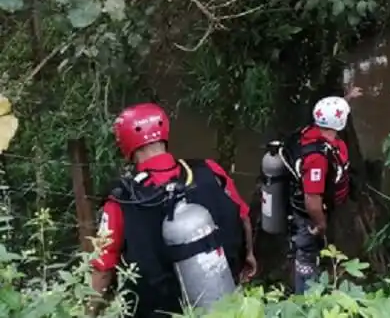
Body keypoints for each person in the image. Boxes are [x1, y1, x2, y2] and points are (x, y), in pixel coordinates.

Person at [90, 103, 256, 317]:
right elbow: (243, 218)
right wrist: (249, 255)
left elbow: (103, 269)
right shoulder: (209, 170)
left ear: (125, 144)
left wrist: (89, 312)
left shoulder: (121, 200)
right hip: (222, 305)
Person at [284, 95, 352, 294]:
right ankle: (305, 299)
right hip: (309, 217)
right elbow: (312, 199)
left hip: (323, 206)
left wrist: (347, 98)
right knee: (307, 254)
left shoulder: (312, 132)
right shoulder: (317, 158)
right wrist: (320, 224)